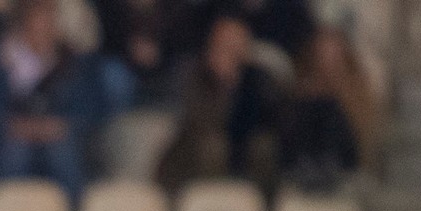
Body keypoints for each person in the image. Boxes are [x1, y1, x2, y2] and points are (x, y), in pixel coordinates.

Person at [0, 0, 98, 200]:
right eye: (36, 24)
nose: (42, 31)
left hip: (58, 136)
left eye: (48, 24)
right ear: (24, 27)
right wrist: (13, 125)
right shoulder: (3, 62)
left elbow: (87, 108)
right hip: (16, 134)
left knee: (62, 153)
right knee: (14, 153)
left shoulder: (71, 62)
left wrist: (62, 126)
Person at [156, 14, 280, 193]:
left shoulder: (258, 78)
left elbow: (270, 119)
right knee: (213, 147)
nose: (234, 47)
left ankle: (257, 208)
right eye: (227, 41)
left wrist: (241, 84)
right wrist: (222, 86)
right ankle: (210, 204)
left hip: (241, 147)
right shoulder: (191, 72)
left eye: (239, 41)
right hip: (190, 149)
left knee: (264, 147)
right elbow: (197, 121)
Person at [277, 26, 377, 192]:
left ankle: (327, 163)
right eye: (323, 53)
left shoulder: (358, 90)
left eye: (333, 53)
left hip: (343, 159)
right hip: (302, 160)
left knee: (330, 108)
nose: (328, 59)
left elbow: (360, 131)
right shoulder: (301, 89)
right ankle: (308, 165)